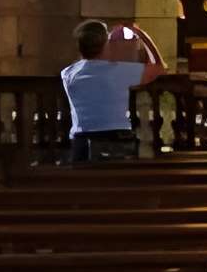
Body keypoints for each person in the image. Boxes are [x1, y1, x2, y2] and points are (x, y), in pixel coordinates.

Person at [61, 17, 165, 166]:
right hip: (117, 140)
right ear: (106, 45)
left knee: (83, 187)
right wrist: (141, 33)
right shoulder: (118, 71)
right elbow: (159, 67)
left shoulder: (68, 74)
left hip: (81, 141)